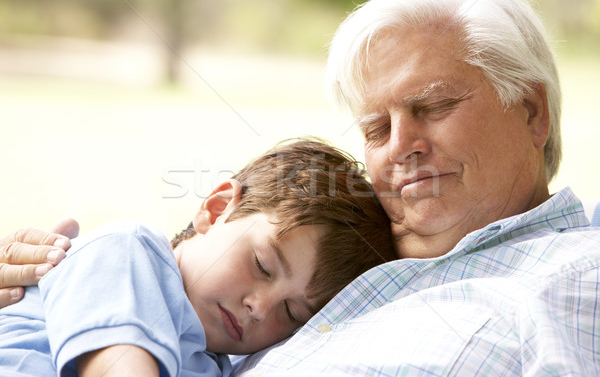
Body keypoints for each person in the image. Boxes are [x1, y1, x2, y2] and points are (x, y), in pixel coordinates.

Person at [2, 0, 600, 374]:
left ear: (531, 111)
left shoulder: (569, 275)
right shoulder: (335, 247)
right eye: (374, 128)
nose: (400, 149)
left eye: (434, 106)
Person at [0, 138, 395, 376]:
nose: (259, 307)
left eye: (292, 313)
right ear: (216, 208)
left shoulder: (216, 365)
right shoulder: (128, 254)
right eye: (262, 265)